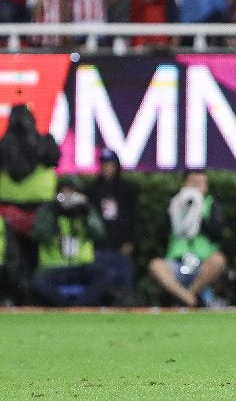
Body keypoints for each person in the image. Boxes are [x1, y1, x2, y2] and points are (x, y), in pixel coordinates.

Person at [0, 104, 60, 304]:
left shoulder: (4, 145)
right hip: (39, 208)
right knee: (36, 256)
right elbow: (54, 158)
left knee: (14, 258)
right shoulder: (44, 142)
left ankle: (16, 297)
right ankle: (32, 297)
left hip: (9, 210)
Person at [148, 170, 227, 307]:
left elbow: (217, 233)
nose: (197, 187)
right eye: (193, 183)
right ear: (185, 184)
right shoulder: (175, 203)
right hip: (177, 262)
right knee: (156, 265)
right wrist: (171, 216)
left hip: (202, 263)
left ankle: (191, 294)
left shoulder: (211, 204)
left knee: (218, 260)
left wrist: (197, 215)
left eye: (201, 183)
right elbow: (159, 235)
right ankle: (187, 298)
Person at [30, 177, 109, 306]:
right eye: (63, 193)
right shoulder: (48, 211)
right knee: (38, 282)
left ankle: (80, 305)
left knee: (103, 276)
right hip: (54, 267)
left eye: (71, 193)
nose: (67, 197)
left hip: (81, 266)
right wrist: (52, 213)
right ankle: (65, 305)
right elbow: (39, 234)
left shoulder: (85, 212)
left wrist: (86, 211)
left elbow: (99, 233)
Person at [85, 148, 139, 306]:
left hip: (121, 246)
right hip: (99, 246)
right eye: (104, 164)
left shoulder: (127, 190)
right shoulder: (93, 190)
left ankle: (124, 302)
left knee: (123, 276)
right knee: (100, 277)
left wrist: (130, 241)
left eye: (110, 164)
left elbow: (134, 218)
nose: (107, 168)